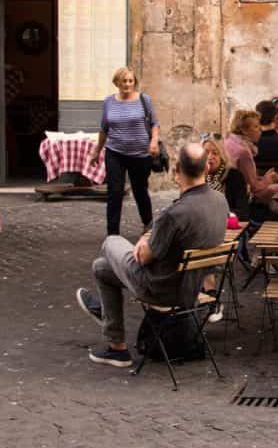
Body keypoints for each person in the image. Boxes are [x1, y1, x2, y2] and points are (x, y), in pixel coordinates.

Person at [75, 143, 227, 368]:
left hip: (160, 288)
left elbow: (144, 258)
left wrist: (145, 241)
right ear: (206, 169)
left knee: (111, 242)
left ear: (177, 171)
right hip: (192, 288)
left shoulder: (175, 214)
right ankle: (116, 346)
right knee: (101, 268)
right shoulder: (220, 201)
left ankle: (113, 332)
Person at [89, 67, 160, 236]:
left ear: (134, 82)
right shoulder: (108, 102)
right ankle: (112, 233)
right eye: (124, 81)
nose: (128, 84)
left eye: (131, 81)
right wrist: (97, 151)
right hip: (115, 153)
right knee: (114, 192)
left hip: (140, 154)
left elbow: (154, 124)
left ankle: (148, 225)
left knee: (140, 190)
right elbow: (104, 129)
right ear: (117, 83)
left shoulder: (144, 100)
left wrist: (154, 141)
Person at [224, 109, 278, 211]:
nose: (260, 129)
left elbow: (247, 178)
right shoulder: (243, 151)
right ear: (243, 130)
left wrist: (263, 177)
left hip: (229, 192)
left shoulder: (228, 141)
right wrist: (269, 179)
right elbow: (253, 187)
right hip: (242, 198)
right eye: (255, 126)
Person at [201, 133, 249, 220]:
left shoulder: (234, 176)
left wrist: (213, 211)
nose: (209, 157)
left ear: (222, 155)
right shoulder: (198, 176)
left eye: (215, 153)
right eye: (206, 152)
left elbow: (243, 214)